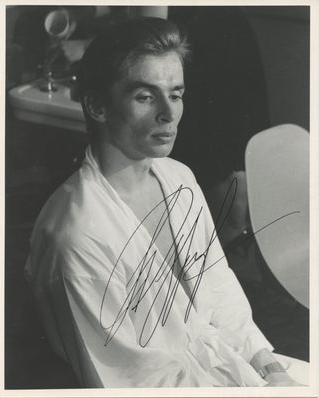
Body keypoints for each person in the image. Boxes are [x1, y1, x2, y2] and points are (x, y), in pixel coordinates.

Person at [25, 17, 308, 388]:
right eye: (145, 96)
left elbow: (219, 287)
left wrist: (270, 369)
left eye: (175, 94)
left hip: (224, 364)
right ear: (96, 105)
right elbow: (132, 381)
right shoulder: (77, 235)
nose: (169, 113)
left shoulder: (177, 177)